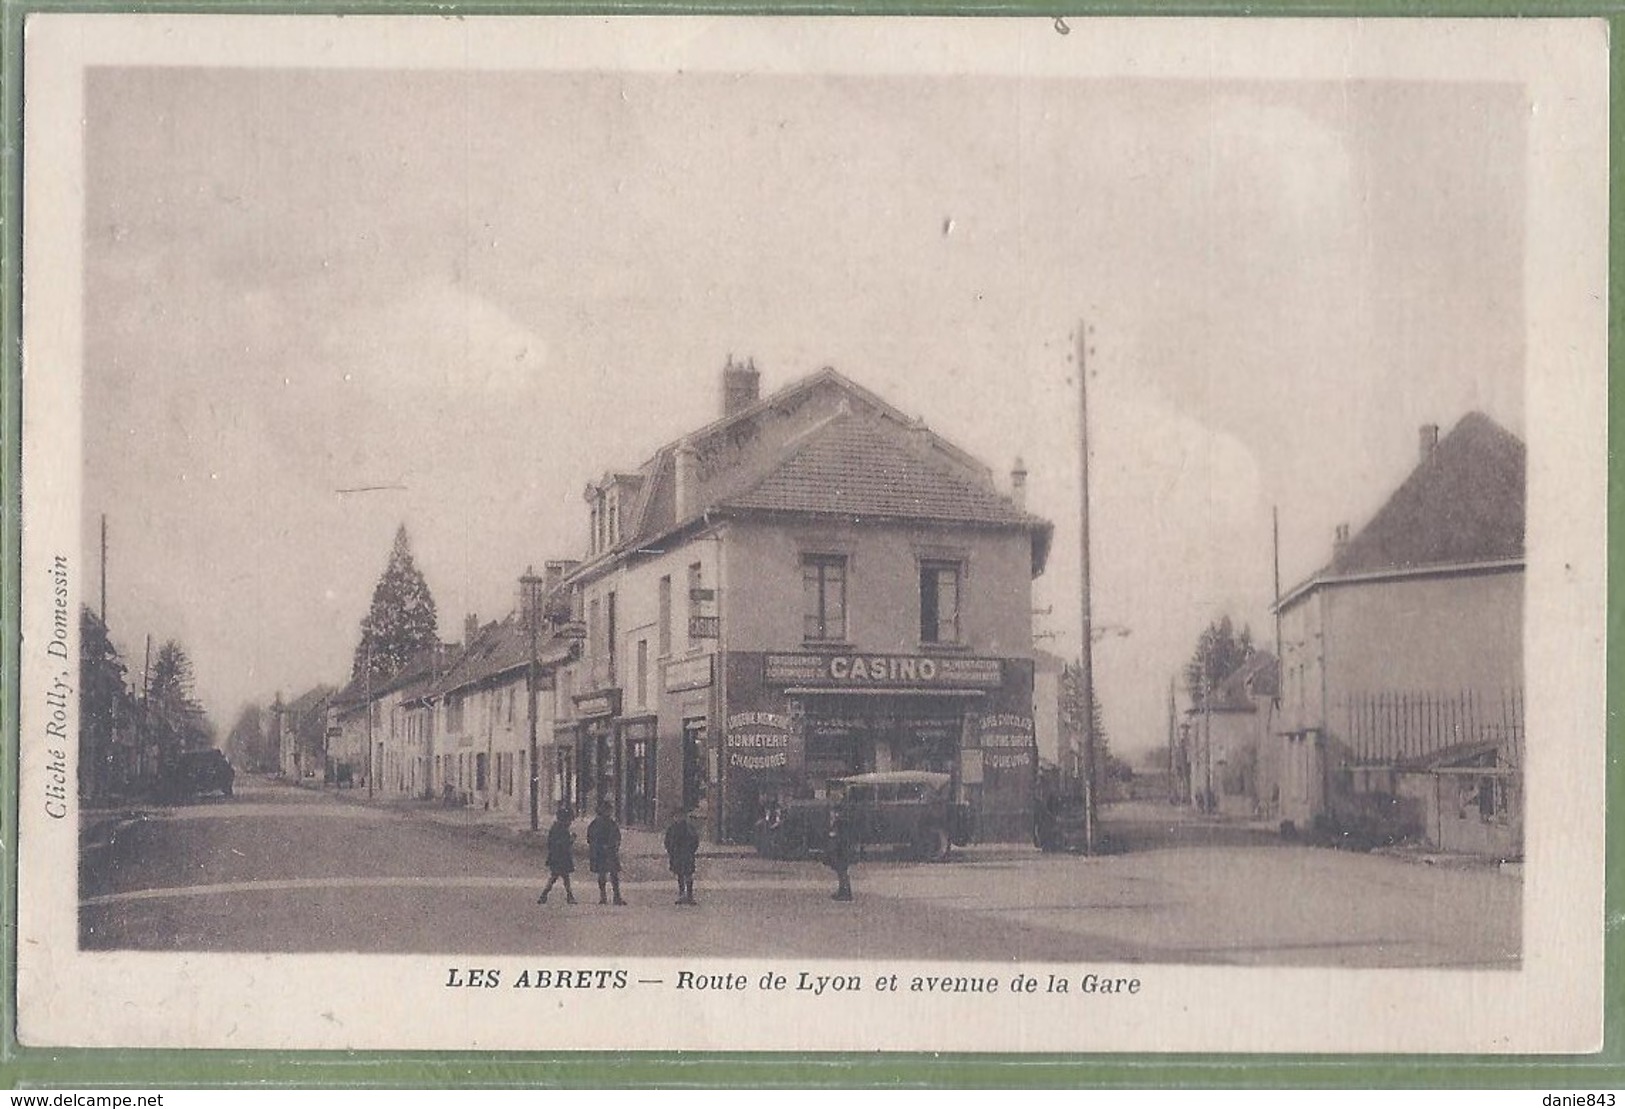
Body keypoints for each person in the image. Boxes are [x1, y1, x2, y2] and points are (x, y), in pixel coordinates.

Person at [587, 800, 626, 906]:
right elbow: (592, 838)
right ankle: (604, 896)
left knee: (612, 874)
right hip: (602, 852)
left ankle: (615, 896)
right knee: (604, 874)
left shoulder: (609, 823)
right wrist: (601, 846)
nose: (609, 812)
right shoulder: (597, 823)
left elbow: (617, 836)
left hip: (609, 851)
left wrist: (615, 845)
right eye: (607, 810)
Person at [537, 805, 577, 905]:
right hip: (560, 857)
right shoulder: (560, 829)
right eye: (569, 820)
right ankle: (546, 895)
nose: (570, 823)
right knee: (559, 877)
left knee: (559, 877)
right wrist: (571, 840)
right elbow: (562, 843)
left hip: (557, 857)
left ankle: (546, 895)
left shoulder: (557, 828)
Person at [663, 809, 700, 906]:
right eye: (676, 816)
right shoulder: (672, 829)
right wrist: (671, 851)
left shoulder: (689, 828)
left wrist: (691, 851)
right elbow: (667, 841)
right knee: (679, 874)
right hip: (677, 855)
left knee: (688, 875)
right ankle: (681, 894)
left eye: (680, 816)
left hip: (687, 854)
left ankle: (689, 895)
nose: (678, 818)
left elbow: (695, 840)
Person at [825, 804, 854, 901]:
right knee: (841, 872)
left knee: (842, 872)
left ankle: (845, 892)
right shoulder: (840, 823)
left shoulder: (839, 823)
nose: (831, 814)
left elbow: (837, 837)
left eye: (833, 812)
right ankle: (843, 891)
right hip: (841, 849)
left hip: (841, 850)